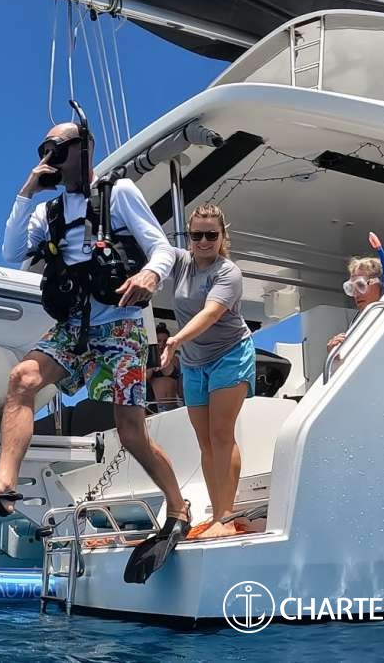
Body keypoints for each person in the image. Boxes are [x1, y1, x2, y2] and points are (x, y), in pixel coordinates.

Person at [0, 121, 191, 584]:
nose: (49, 157)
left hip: (120, 325)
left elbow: (161, 248)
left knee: (131, 432)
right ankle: (3, 487)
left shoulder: (118, 193)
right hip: (74, 327)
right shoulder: (50, 212)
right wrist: (26, 192)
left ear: (84, 149)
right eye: (44, 150)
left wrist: (151, 274)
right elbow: (11, 249)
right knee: (22, 378)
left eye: (57, 148)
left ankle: (178, 510)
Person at [157, 204, 255, 539]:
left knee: (221, 435)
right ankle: (216, 514)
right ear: (188, 236)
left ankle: (226, 517)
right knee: (205, 442)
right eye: (196, 235)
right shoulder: (180, 261)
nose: (203, 241)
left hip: (230, 354)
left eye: (211, 235)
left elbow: (211, 314)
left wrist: (176, 340)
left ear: (222, 235)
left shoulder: (229, 272)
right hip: (194, 362)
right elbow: (151, 245)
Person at [326, 257, 384, 352]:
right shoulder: (358, 325)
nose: (356, 294)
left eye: (361, 285)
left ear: (382, 284)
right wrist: (336, 353)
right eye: (351, 288)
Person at [147, 322, 182, 412]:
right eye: (159, 341)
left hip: (174, 403)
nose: (162, 344)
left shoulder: (175, 359)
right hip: (156, 406)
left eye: (165, 341)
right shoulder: (150, 359)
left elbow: (179, 380)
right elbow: (145, 377)